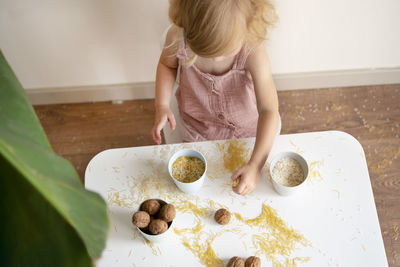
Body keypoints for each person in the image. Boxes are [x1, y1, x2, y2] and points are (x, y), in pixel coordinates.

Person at [151, 0, 280, 196]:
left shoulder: (253, 50)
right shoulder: (178, 36)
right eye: (204, 51)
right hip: (198, 128)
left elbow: (269, 110)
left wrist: (255, 165)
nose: (217, 59)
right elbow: (167, 65)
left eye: (227, 52)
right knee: (201, 189)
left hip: (249, 132)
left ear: (247, 27)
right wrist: (161, 105)